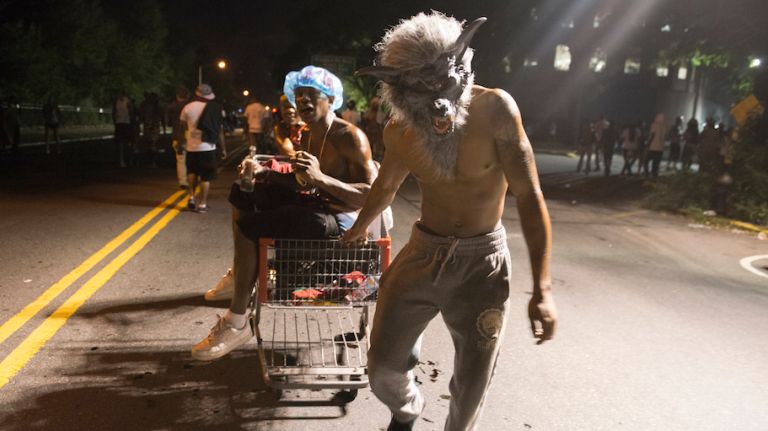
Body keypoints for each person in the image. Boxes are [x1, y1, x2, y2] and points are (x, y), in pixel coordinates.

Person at [346, 13, 557, 431]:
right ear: (401, 94)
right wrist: (358, 227)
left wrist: (543, 289)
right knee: (383, 369)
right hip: (424, 253)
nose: (439, 105)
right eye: (422, 92)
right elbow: (386, 186)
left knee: (473, 385)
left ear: (461, 69)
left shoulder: (495, 109)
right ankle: (406, 412)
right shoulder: (400, 131)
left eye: (443, 85)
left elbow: (530, 196)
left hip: (483, 264)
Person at [192, 65, 376, 360]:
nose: (302, 101)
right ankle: (241, 271)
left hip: (343, 221)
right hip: (318, 206)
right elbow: (301, 180)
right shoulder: (308, 135)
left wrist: (320, 179)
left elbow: (370, 194)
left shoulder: (349, 136)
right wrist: (262, 171)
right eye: (298, 95)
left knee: (253, 228)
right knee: (243, 192)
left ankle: (237, 320)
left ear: (330, 99)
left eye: (311, 95)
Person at [180, 84, 225, 213]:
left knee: (192, 172)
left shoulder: (187, 107)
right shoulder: (216, 109)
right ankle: (202, 204)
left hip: (191, 146)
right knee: (206, 177)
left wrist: (181, 142)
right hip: (208, 146)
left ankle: (191, 197)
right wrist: (223, 148)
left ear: (196, 93)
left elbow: (182, 127)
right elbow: (219, 130)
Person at [167, 86, 190, 189]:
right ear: (187, 96)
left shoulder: (172, 107)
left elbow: (169, 122)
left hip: (176, 135)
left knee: (180, 159)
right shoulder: (189, 107)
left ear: (177, 96)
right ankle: (192, 178)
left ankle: (183, 181)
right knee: (191, 158)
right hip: (189, 135)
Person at [113, 92, 133, 168]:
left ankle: (125, 159)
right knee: (121, 142)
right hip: (121, 122)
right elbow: (114, 111)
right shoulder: (117, 101)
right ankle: (122, 160)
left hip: (125, 122)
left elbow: (130, 111)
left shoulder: (126, 100)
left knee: (125, 142)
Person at [645, 113, 666, 178]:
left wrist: (648, 144)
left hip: (653, 147)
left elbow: (652, 135)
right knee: (656, 163)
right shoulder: (664, 127)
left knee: (646, 161)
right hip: (660, 148)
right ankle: (654, 175)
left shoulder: (654, 125)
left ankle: (647, 174)